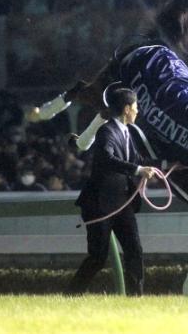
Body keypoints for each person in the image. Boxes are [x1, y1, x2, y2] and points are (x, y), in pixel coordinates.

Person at [67, 87, 157, 296]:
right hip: (100, 204)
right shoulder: (106, 131)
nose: (137, 111)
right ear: (126, 109)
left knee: (135, 250)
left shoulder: (127, 132)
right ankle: (71, 294)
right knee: (98, 257)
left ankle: (136, 297)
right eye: (135, 107)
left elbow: (138, 160)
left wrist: (165, 165)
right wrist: (138, 170)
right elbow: (107, 159)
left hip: (122, 203)